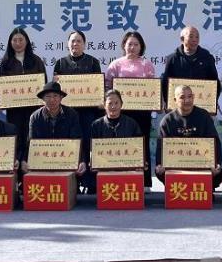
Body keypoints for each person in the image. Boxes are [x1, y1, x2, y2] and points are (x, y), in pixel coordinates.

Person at [105, 30, 156, 188]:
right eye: (129, 44)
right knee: (122, 144)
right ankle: (121, 179)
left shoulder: (147, 64)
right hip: (121, 112)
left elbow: (153, 88)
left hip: (142, 112)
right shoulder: (116, 64)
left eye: (136, 44)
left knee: (142, 144)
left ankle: (145, 182)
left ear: (141, 47)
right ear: (124, 45)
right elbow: (107, 86)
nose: (132, 47)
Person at [53, 30, 103, 193]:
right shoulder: (60, 63)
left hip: (88, 112)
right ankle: (72, 184)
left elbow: (98, 88)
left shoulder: (93, 62)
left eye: (79, 41)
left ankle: (90, 183)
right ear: (68, 44)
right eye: (72, 41)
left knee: (88, 145)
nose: (75, 44)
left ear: (84, 44)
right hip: (67, 113)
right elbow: (56, 90)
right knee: (70, 146)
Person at [156, 85, 222, 189]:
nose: (187, 100)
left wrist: (216, 164)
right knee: (160, 172)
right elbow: (160, 148)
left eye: (190, 96)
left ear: (193, 97)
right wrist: (160, 164)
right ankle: (176, 189)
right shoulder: (167, 121)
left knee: (218, 173)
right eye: (182, 97)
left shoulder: (204, 116)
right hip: (177, 164)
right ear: (175, 100)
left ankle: (204, 189)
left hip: (201, 163)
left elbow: (215, 142)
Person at [0, 28, 47, 167]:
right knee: (16, 138)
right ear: (10, 42)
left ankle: (32, 168)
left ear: (27, 41)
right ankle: (17, 170)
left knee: (32, 136)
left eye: (21, 40)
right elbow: (3, 87)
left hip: (34, 108)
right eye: (14, 40)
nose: (18, 43)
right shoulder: (6, 62)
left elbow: (43, 83)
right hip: (14, 109)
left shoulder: (36, 61)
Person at [21, 82, 85, 176]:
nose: (52, 100)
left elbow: (77, 140)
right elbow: (30, 142)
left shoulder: (72, 114)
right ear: (43, 99)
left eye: (55, 96)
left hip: (65, 160)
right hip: (43, 161)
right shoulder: (35, 117)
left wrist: (82, 161)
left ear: (61, 98)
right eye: (48, 96)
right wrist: (24, 160)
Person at [90, 89, 147, 175]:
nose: (113, 106)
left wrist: (140, 161)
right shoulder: (96, 125)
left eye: (116, 103)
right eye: (110, 103)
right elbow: (92, 149)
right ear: (104, 105)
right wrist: (93, 161)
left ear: (121, 104)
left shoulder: (131, 123)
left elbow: (139, 147)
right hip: (104, 169)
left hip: (127, 169)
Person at [161, 25, 220, 107]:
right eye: (191, 36)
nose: (194, 40)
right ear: (182, 39)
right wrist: (167, 102)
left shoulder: (207, 58)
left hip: (201, 106)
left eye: (197, 37)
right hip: (179, 107)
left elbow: (215, 82)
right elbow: (165, 83)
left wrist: (213, 101)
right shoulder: (172, 59)